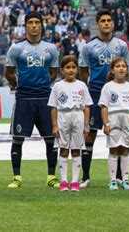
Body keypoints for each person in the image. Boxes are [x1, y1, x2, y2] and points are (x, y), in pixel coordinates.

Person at [5, 11, 60, 189]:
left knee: (50, 138)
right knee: (18, 138)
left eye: (37, 22)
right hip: (24, 98)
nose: (34, 25)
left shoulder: (51, 48)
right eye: (31, 23)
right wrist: (19, 85)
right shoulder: (16, 48)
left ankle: (51, 176)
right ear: (26, 25)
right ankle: (17, 177)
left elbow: (53, 73)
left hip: (45, 97)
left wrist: (42, 84)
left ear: (41, 25)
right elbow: (8, 72)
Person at [78, 9, 129, 188]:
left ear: (113, 24)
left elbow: (125, 68)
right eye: (103, 21)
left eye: (109, 20)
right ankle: (85, 176)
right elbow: (83, 71)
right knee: (89, 134)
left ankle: (121, 177)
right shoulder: (88, 46)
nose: (106, 23)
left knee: (118, 134)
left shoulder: (121, 45)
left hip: (115, 93)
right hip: (95, 92)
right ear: (98, 24)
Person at [48, 55, 92, 192]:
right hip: (63, 116)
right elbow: (54, 107)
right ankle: (64, 181)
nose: (71, 70)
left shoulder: (82, 85)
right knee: (63, 149)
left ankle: (74, 182)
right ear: (62, 70)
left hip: (78, 116)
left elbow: (86, 107)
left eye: (73, 67)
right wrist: (55, 125)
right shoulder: (58, 86)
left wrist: (86, 125)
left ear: (77, 69)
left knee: (76, 149)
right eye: (68, 67)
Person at [99, 58, 129, 190]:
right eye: (118, 66)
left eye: (124, 66)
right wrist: (106, 123)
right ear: (112, 70)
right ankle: (113, 181)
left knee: (125, 149)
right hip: (114, 118)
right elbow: (104, 107)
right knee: (113, 148)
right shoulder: (108, 87)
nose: (121, 68)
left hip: (128, 119)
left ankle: (125, 180)